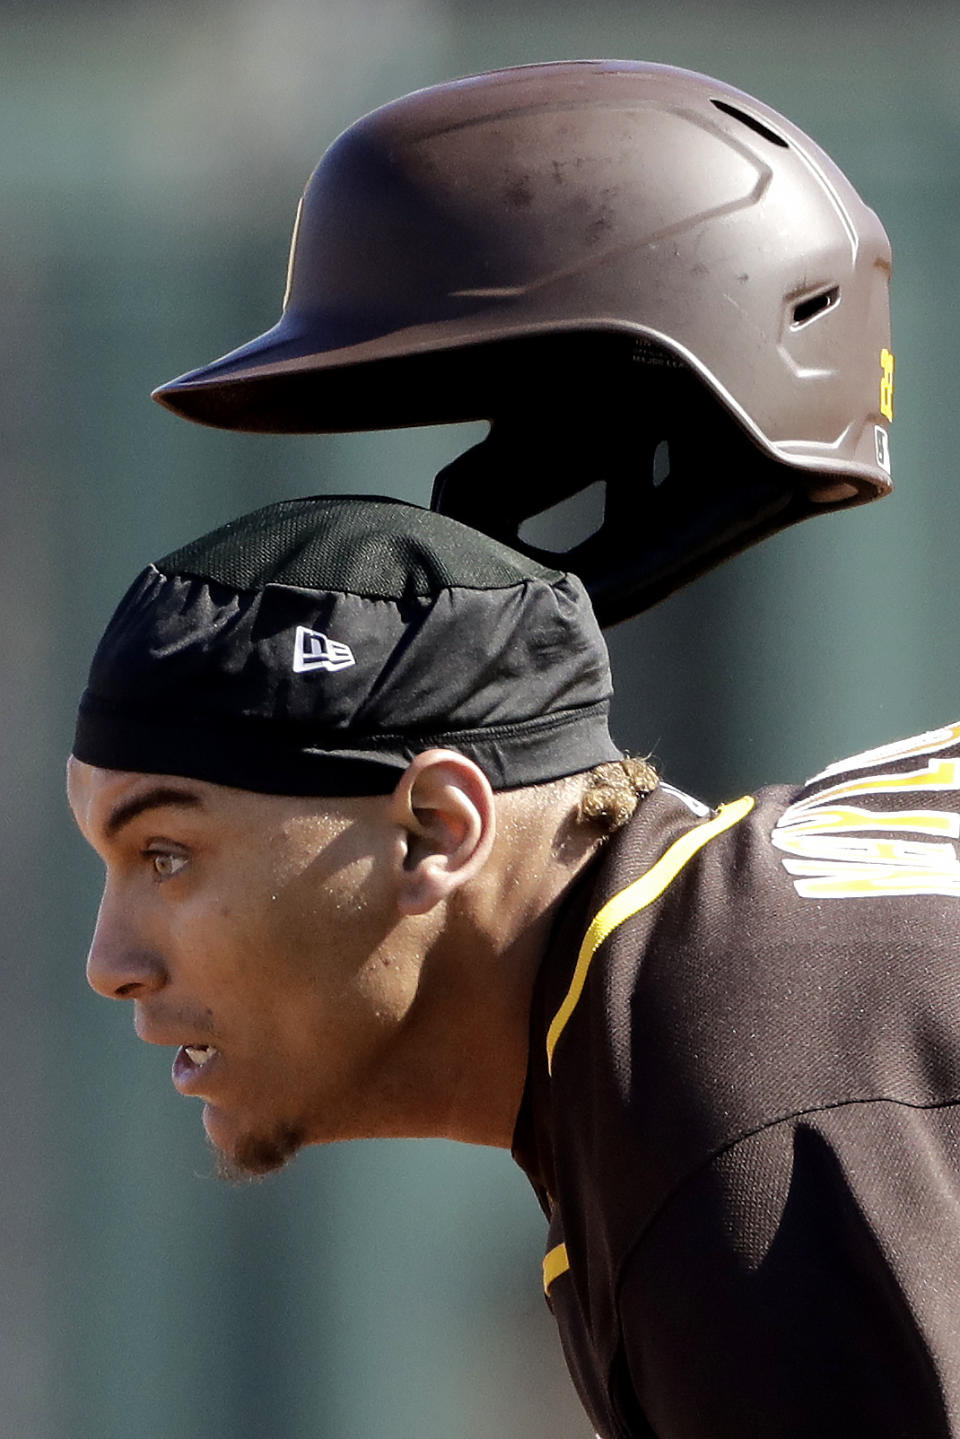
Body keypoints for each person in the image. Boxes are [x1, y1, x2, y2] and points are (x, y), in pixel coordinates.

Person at [71, 60, 960, 1439]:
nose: (109, 957)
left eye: (169, 852)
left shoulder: (729, 1112)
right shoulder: (696, 1007)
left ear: (439, 826)